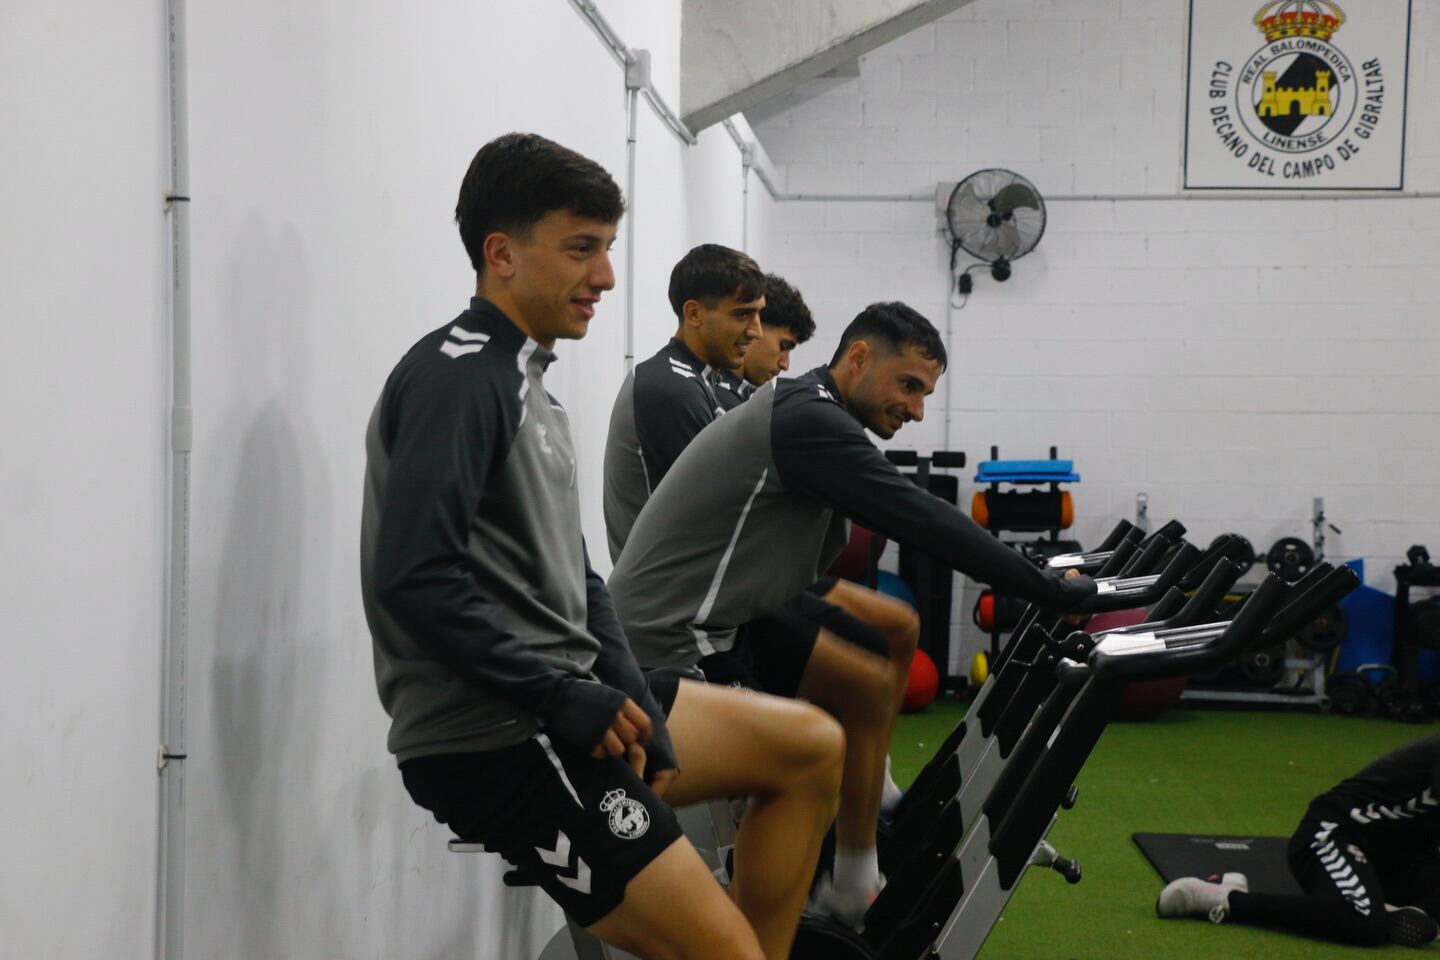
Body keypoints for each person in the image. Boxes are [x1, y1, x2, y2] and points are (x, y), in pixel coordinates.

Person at [360, 132, 846, 960]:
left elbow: (579, 578)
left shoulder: (529, 383)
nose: (607, 278)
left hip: (568, 702)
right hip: (499, 738)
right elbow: (413, 580)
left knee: (811, 749)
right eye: (582, 249)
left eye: (608, 249)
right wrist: (556, 695)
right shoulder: (460, 380)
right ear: (502, 254)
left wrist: (636, 701)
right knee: (722, 952)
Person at [608, 300, 1096, 927]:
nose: (918, 410)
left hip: (731, 623)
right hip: (671, 645)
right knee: (812, 762)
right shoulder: (807, 420)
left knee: (864, 683)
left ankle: (853, 877)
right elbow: (918, 516)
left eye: (926, 394)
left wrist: (1041, 580)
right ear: (860, 358)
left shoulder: (812, 409)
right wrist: (1044, 587)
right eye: (909, 387)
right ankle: (772, 924)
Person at [1157, 733, 1440, 947]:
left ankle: (1404, 912)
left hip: (1394, 859)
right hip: (1333, 833)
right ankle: (1224, 898)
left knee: (1377, 917)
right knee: (1363, 923)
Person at [602, 244, 763, 562]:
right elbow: (721, 517)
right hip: (663, 603)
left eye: (759, 314)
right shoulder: (673, 388)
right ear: (694, 314)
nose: (756, 331)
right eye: (743, 314)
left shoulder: (701, 380)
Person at [710, 272, 814, 411]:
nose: (785, 365)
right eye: (783, 346)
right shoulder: (716, 398)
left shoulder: (738, 395)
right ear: (754, 326)